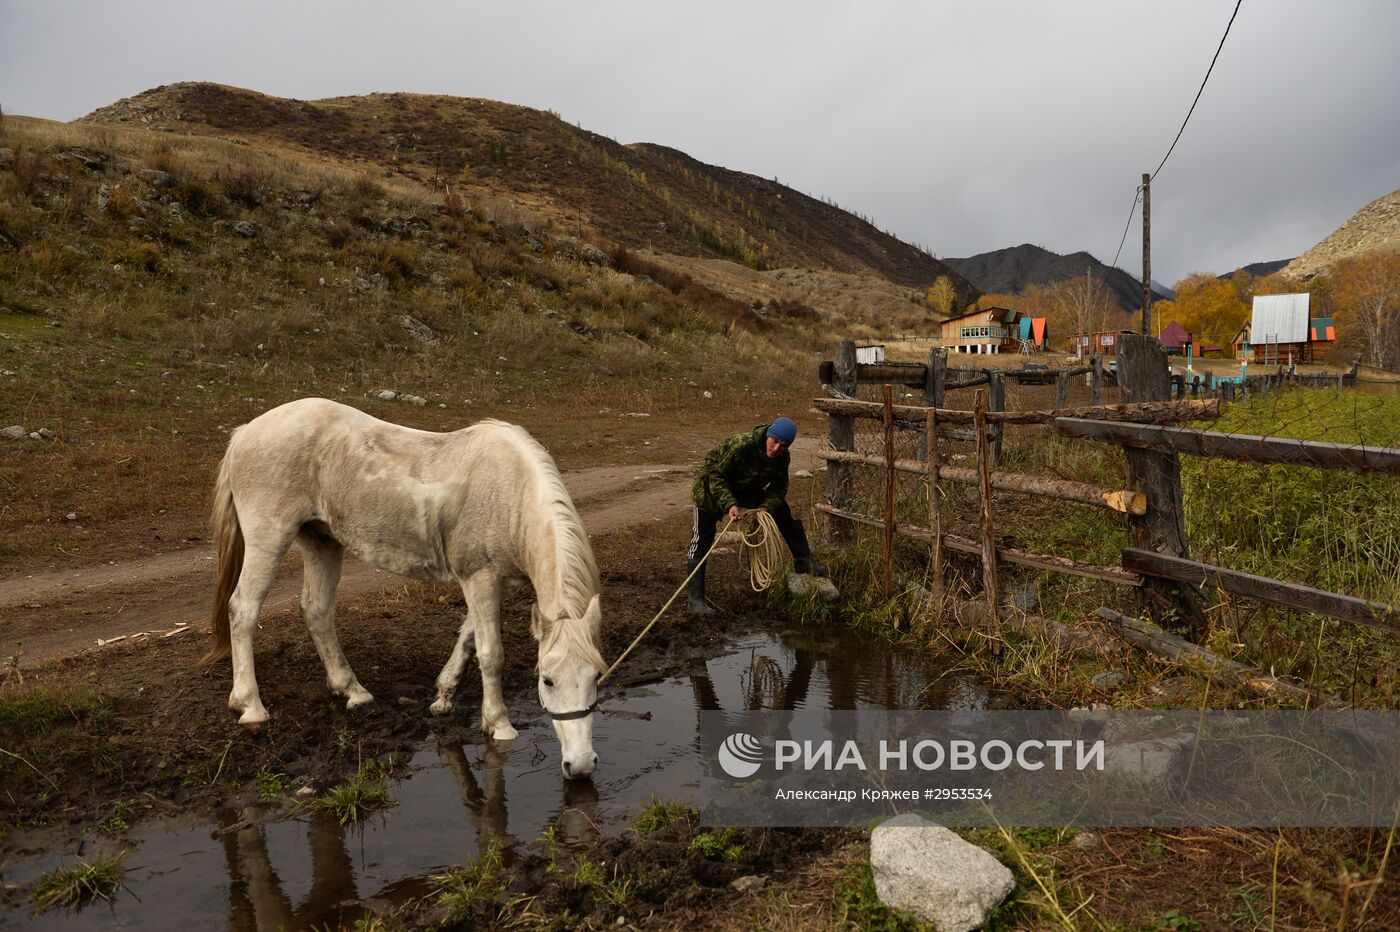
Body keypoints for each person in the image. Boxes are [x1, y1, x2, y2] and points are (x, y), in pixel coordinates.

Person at [686, 417, 828, 615]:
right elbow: (715, 476)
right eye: (775, 441)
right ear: (769, 434)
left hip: (746, 487)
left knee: (783, 511)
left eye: (783, 445)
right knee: (702, 539)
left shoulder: (782, 457)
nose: (777, 448)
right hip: (710, 489)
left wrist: (766, 507)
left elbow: (779, 488)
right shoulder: (742, 445)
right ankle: (695, 601)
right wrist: (730, 504)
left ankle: (803, 561)